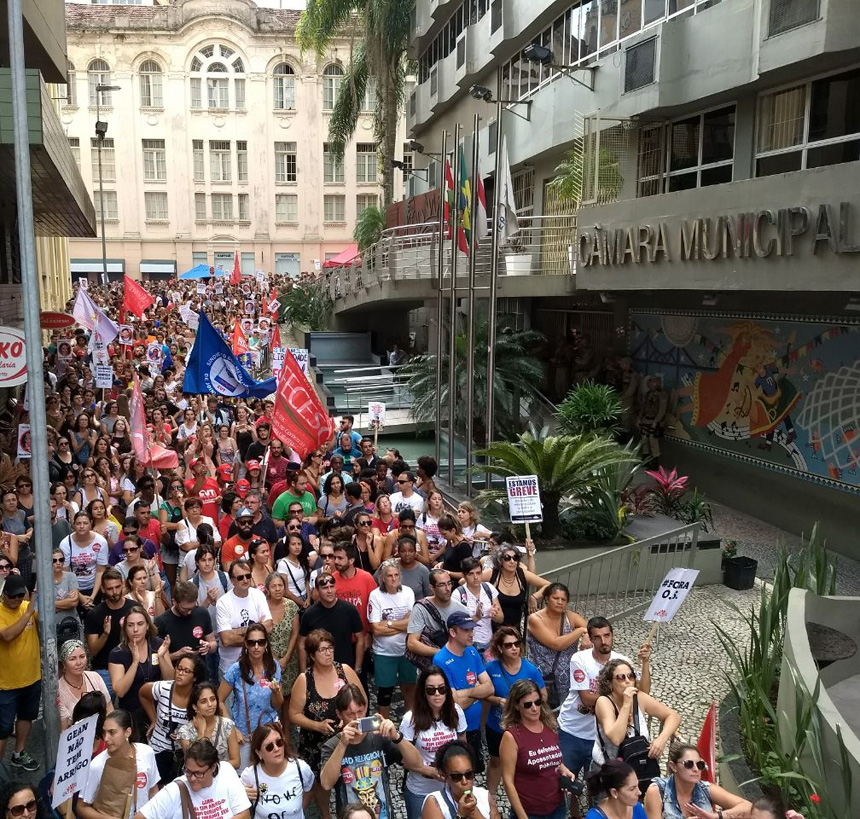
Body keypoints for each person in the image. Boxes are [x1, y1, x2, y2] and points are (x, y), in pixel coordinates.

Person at [558, 617, 652, 785]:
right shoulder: (579, 659)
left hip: (603, 736)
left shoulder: (622, 662)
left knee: (596, 783)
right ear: (591, 639)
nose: (604, 641)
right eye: (598, 637)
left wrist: (645, 663)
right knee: (567, 779)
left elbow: (642, 693)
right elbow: (586, 698)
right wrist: (621, 697)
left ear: (613, 636)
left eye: (607, 635)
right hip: (574, 730)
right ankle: (573, 809)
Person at [320, 683, 429, 819]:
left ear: (366, 707)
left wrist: (397, 737)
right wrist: (342, 745)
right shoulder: (332, 745)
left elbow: (417, 763)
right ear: (339, 714)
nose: (357, 718)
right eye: (350, 714)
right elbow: (326, 783)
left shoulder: (379, 738)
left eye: (360, 711)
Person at [288, 629, 362, 819]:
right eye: (322, 650)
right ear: (312, 655)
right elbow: (293, 714)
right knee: (320, 785)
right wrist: (317, 725)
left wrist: (353, 720)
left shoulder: (344, 670)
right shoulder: (305, 679)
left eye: (330, 648)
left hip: (346, 739)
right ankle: (324, 814)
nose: (328, 653)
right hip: (315, 743)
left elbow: (362, 701)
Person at [593, 659, 680, 793]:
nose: (628, 681)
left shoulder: (640, 698)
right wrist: (627, 705)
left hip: (637, 770)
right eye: (621, 677)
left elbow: (673, 716)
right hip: (609, 773)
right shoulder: (604, 702)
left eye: (631, 676)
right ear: (610, 684)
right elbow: (616, 738)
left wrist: (661, 740)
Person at [484, 627, 547, 796]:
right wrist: (498, 701)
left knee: (522, 763)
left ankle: (522, 795)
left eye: (517, 644)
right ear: (499, 648)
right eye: (508, 645)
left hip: (522, 727)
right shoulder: (491, 668)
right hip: (496, 726)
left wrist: (528, 704)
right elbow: (484, 694)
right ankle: (490, 797)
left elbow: (544, 695)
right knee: (496, 761)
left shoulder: (530, 669)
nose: (514, 648)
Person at [400, 665, 467, 819]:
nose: (437, 694)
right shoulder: (410, 719)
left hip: (451, 789)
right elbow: (405, 760)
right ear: (423, 693)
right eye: (431, 690)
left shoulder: (456, 712)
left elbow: (463, 750)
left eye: (441, 689)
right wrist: (431, 772)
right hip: (421, 790)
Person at [500, 680, 573, 819]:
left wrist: (563, 768)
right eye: (528, 705)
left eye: (537, 702)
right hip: (529, 811)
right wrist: (522, 816)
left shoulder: (549, 725)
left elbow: (550, 755)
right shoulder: (511, 737)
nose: (534, 708)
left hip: (557, 807)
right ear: (516, 706)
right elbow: (508, 781)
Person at [219, 623, 284, 769]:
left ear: (266, 644)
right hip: (243, 735)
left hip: (268, 733)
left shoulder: (273, 667)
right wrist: (232, 729)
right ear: (245, 645)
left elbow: (278, 704)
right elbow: (219, 700)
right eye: (251, 642)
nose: (256, 646)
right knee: (244, 780)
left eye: (260, 642)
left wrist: (276, 692)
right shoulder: (236, 670)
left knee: (269, 775)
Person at [135, 738, 252, 819]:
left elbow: (245, 815)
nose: (192, 778)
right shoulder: (174, 790)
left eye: (198, 773)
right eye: (188, 772)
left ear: (213, 767)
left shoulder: (226, 771)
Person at [435, 611, 493, 773]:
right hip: (455, 730)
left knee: (473, 771)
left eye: (472, 630)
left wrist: (466, 693)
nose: (471, 634)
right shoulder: (440, 660)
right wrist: (476, 693)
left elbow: (490, 687)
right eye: (466, 630)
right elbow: (455, 703)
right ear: (453, 632)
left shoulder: (472, 652)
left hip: (474, 728)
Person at [78, 710, 161, 819]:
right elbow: (82, 807)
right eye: (104, 732)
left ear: (127, 732)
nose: (106, 738)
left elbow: (153, 791)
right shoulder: (97, 765)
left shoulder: (146, 752)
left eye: (112, 732)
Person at [109, 606, 173, 736]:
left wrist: (161, 657)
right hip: (132, 713)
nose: (135, 629)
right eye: (130, 625)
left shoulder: (158, 644)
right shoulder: (117, 653)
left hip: (159, 709)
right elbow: (120, 691)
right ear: (125, 628)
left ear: (148, 626)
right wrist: (134, 663)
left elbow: (170, 680)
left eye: (140, 624)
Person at [140, 655, 205, 782]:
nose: (180, 673)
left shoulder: (198, 696)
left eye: (186, 671)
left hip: (183, 753)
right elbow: (143, 693)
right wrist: (153, 719)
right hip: (158, 748)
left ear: (195, 677)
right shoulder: (163, 688)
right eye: (179, 668)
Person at [643, 744, 752, 819]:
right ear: (673, 766)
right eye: (689, 764)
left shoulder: (706, 789)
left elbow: (749, 808)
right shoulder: (657, 791)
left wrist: (715, 816)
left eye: (700, 765)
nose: (696, 769)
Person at [527, 583, 589, 708]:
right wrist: (580, 631)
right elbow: (556, 644)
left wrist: (587, 634)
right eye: (556, 598)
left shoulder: (570, 617)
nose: (560, 602)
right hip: (542, 679)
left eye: (563, 599)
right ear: (547, 599)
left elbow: (593, 629)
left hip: (567, 679)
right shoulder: (535, 619)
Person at [0, 575, 39, 771]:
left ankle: (19, 753)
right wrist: (28, 612)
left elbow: (46, 619)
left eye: (20, 596)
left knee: (26, 717)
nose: (17, 600)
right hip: (6, 684)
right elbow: (7, 635)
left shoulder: (27, 607)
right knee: (3, 729)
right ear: (3, 595)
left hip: (31, 679)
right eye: (13, 597)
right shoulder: (1, 612)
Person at [368, 562, 416, 717]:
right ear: (382, 578)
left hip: (407, 651)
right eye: (389, 575)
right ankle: (384, 729)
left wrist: (387, 624)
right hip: (384, 653)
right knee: (385, 692)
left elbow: (412, 623)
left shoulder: (408, 592)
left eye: (396, 575)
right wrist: (401, 624)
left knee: (409, 688)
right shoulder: (375, 595)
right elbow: (376, 629)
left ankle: (411, 726)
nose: (393, 579)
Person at [240, 723, 314, 819]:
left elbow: (310, 789)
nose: (276, 749)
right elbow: (232, 799)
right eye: (269, 747)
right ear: (259, 753)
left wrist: (297, 811)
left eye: (279, 742)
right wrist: (241, 794)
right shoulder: (250, 775)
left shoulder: (300, 768)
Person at [216, 560, 273, 676]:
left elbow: (269, 626)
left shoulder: (258, 595)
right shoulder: (223, 602)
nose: (245, 580)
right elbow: (226, 640)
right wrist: (256, 630)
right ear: (232, 580)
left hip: (256, 666)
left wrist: (234, 632)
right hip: (230, 667)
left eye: (248, 576)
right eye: (240, 577)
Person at [86, 568, 136, 699]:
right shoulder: (95, 614)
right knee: (105, 711)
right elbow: (93, 650)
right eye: (110, 589)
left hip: (131, 665)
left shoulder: (134, 608)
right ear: (102, 589)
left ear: (123, 584)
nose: (114, 592)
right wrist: (105, 633)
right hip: (105, 669)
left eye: (117, 587)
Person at [298, 571, 364, 671]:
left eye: (332, 586)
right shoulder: (309, 614)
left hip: (345, 668)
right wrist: (303, 673)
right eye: (325, 588)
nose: (329, 591)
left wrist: (357, 668)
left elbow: (360, 639)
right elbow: (301, 644)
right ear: (317, 590)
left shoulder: (350, 610)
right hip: (319, 670)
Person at [422, 739, 500, 819]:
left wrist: (475, 814)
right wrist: (461, 816)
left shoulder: (485, 796)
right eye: (457, 776)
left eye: (469, 774)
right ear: (445, 776)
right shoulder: (435, 802)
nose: (464, 781)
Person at [406, 569, 468, 667]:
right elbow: (412, 643)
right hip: (431, 666)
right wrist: (442, 652)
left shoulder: (462, 610)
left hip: (456, 664)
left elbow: (467, 640)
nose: (447, 588)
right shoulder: (421, 608)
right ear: (432, 587)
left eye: (449, 583)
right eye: (442, 585)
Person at [485, 544, 548, 633]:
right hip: (492, 630)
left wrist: (534, 597)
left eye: (515, 558)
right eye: (507, 558)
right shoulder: (492, 574)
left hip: (514, 631)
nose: (512, 561)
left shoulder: (521, 574)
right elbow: (465, 581)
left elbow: (548, 585)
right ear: (500, 561)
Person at [178, 682, 240, 768]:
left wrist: (213, 768)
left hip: (222, 776)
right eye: (203, 701)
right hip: (197, 777)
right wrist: (201, 733)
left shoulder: (227, 725)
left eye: (213, 699)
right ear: (195, 706)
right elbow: (196, 762)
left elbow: (236, 762)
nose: (210, 704)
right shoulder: (185, 731)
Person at [263, 572, 299, 715]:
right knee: (271, 696)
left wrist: (286, 658)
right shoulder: (263, 607)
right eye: (274, 586)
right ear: (267, 589)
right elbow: (263, 635)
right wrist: (274, 659)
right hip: (268, 660)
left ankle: (288, 735)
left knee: (288, 699)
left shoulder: (291, 606)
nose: (277, 589)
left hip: (289, 660)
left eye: (280, 585)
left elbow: (295, 634)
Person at [156, 580, 216, 664]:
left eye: (192, 608)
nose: (189, 612)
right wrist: (177, 655)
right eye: (184, 609)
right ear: (174, 602)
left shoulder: (202, 613)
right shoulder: (162, 622)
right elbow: (155, 658)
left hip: (200, 672)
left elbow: (213, 643)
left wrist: (208, 646)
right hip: (175, 673)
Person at [58, 638, 113, 728]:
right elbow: (64, 729)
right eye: (72, 659)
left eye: (82, 657)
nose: (79, 663)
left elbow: (109, 709)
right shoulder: (59, 690)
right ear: (64, 664)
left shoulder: (95, 677)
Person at [60, 511, 109, 609]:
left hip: (94, 585)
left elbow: (100, 571)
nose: (82, 526)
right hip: (73, 587)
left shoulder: (101, 541)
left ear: (91, 523)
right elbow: (64, 573)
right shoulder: (65, 543)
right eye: (78, 523)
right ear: (73, 525)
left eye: (85, 523)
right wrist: (80, 596)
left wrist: (92, 597)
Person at [455, 558, 503, 652]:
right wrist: (476, 617)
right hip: (468, 645)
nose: (475, 577)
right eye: (471, 574)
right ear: (464, 576)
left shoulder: (488, 588)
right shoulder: (458, 594)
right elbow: (456, 625)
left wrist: (494, 615)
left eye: (478, 573)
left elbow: (501, 618)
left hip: (488, 643)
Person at [53, 547, 83, 644]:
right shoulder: (42, 580)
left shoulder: (71, 576)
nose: (58, 563)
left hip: (72, 625)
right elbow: (41, 607)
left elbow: (74, 602)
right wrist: (66, 602)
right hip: (53, 628)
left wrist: (51, 604)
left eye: (61, 560)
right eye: (54, 560)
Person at [394, 535, 431, 599]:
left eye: (411, 551)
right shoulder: (390, 566)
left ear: (415, 553)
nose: (407, 554)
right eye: (403, 551)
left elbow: (429, 595)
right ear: (399, 553)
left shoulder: (423, 571)